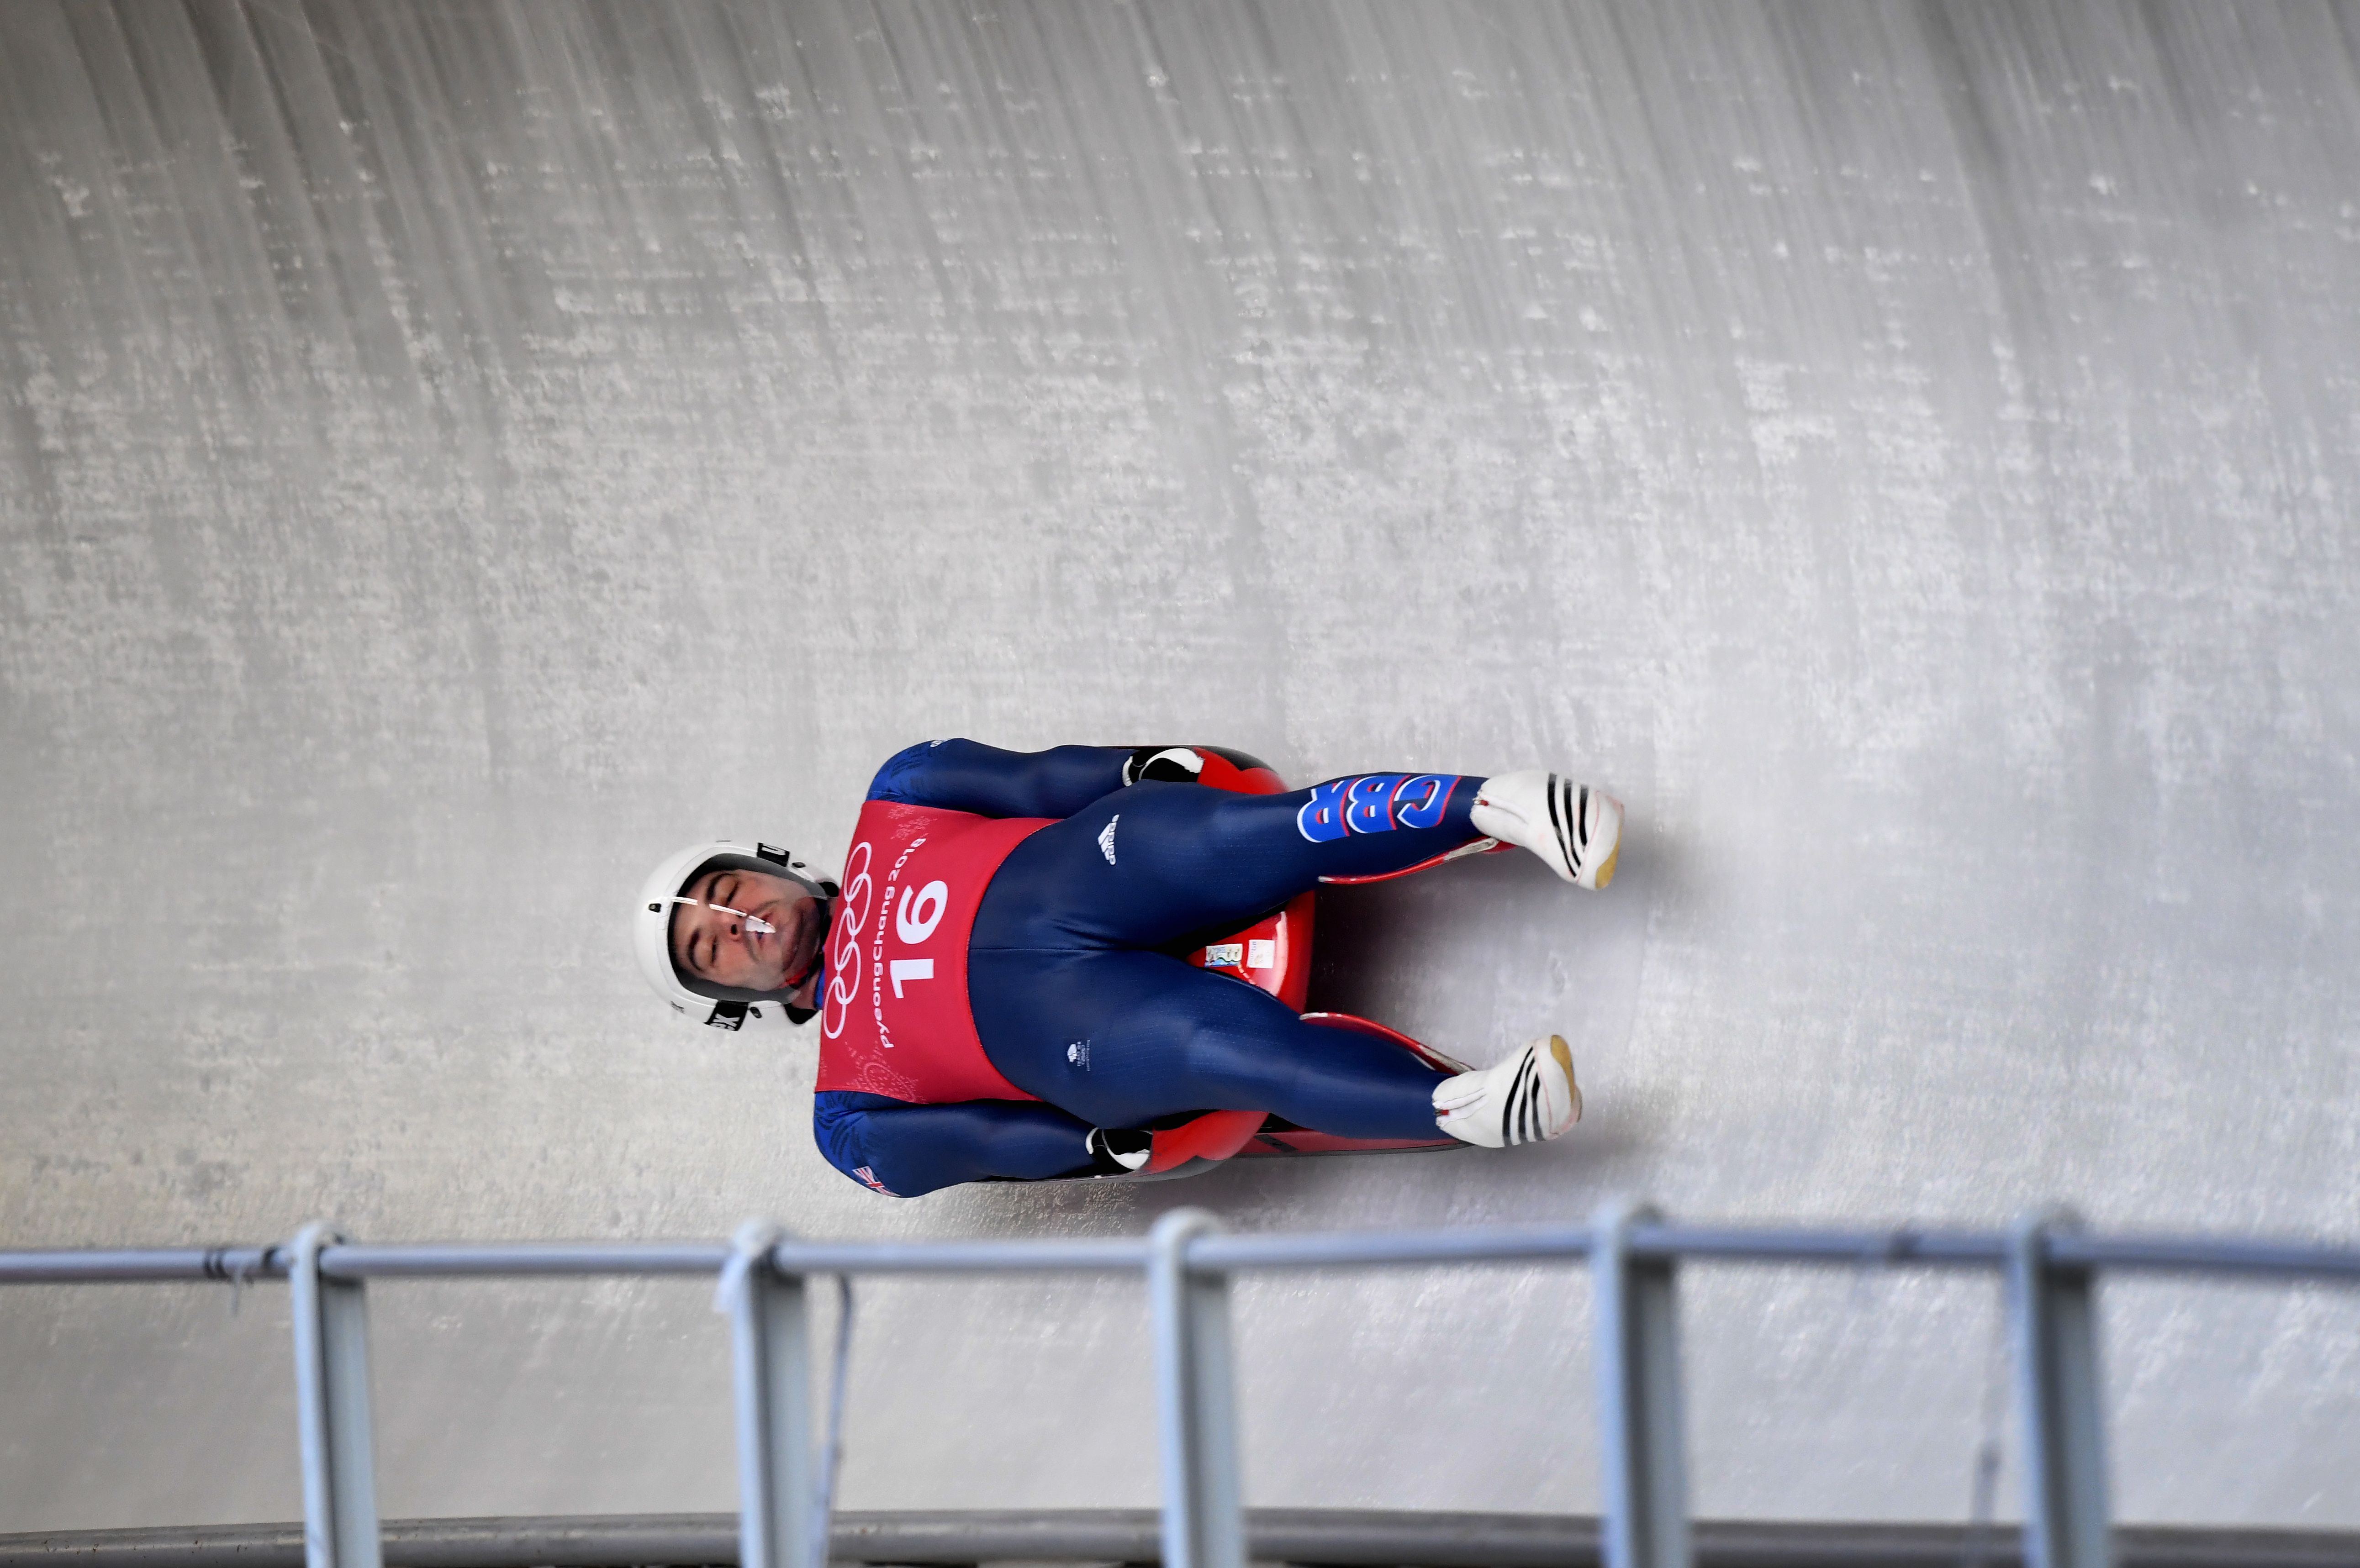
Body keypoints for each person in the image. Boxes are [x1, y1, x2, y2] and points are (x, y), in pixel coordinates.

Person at [632, 741, 1622, 1197]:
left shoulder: (902, 793)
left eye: (725, 891)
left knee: (1250, 837)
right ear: (732, 1000)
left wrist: (1140, 768)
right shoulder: (845, 1114)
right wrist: (1096, 1154)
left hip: (1089, 874)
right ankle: (1461, 1107)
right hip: (1077, 1027)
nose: (735, 921)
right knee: (1222, 1052)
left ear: (766, 865)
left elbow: (1037, 778)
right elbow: (977, 1144)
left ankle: (1499, 805)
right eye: (708, 944)